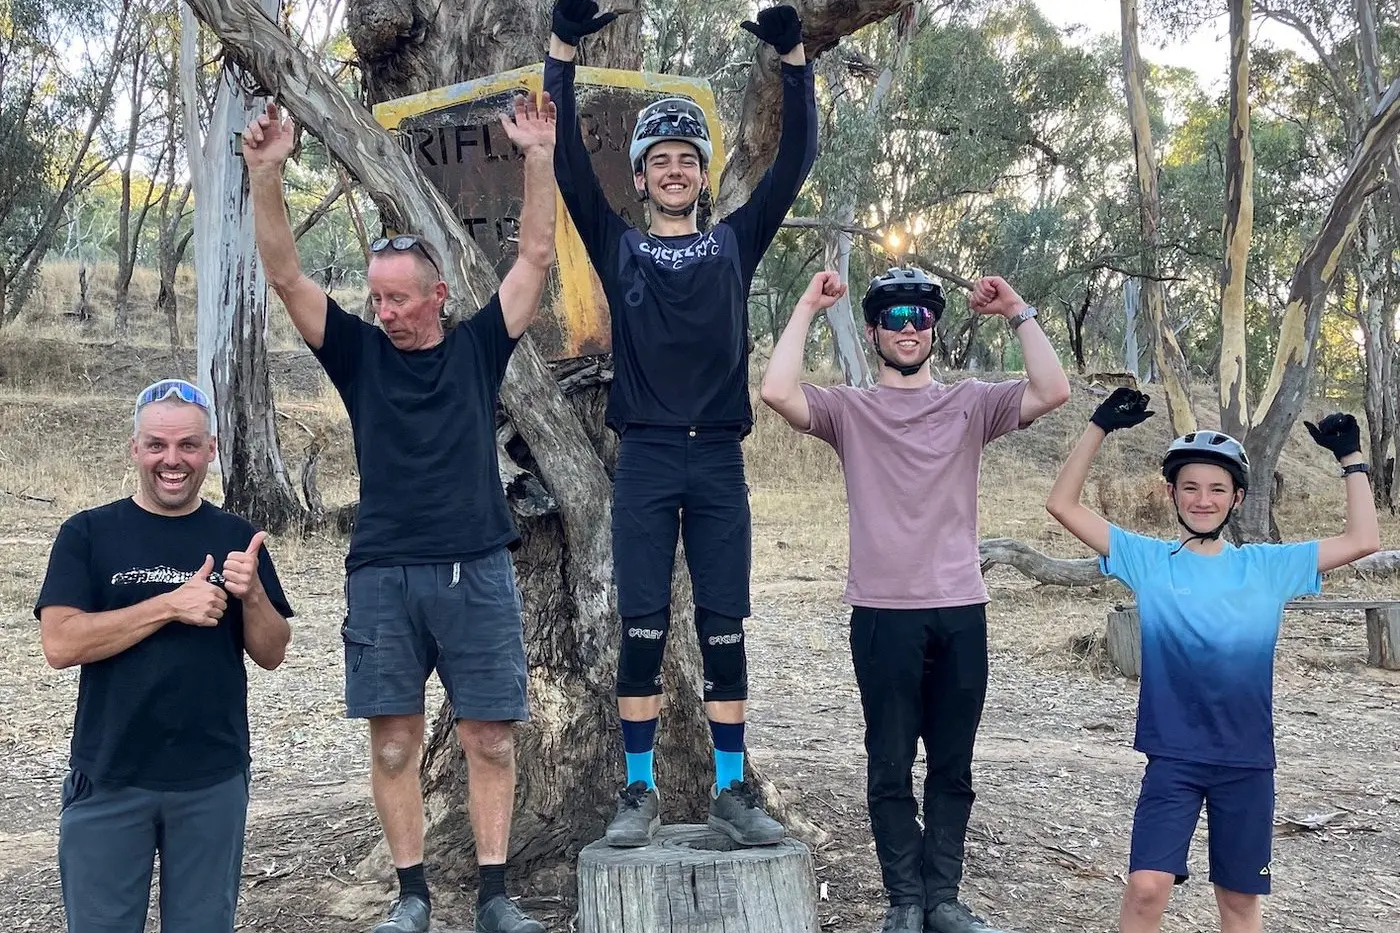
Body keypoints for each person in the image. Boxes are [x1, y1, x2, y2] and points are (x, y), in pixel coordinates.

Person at [242, 91, 557, 933]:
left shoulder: (479, 347)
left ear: (438, 295)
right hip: (382, 572)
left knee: (490, 738)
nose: (381, 312)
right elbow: (284, 273)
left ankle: (495, 898)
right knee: (392, 743)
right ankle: (411, 894)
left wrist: (536, 156)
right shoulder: (356, 354)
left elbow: (533, 257)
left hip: (478, 567)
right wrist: (266, 174)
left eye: (395, 299)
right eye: (375, 298)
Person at [544, 0, 817, 848]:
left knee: (724, 627)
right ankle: (637, 789)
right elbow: (564, 162)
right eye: (658, 159)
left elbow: (796, 158)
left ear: (702, 173)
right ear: (640, 177)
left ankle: (733, 789)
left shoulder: (735, 243)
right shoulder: (618, 245)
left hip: (720, 467)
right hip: (648, 464)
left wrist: (795, 59)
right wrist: (562, 47)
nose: (673, 170)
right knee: (642, 627)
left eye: (686, 159)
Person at [760, 269, 1070, 933]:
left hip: (960, 608)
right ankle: (904, 900)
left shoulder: (972, 403)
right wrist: (807, 305)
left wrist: (1017, 307)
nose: (908, 326)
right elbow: (776, 390)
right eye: (895, 316)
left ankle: (944, 900)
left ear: (934, 330)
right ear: (873, 330)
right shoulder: (851, 410)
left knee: (953, 765)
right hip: (881, 613)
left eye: (921, 317)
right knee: (890, 764)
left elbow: (1053, 389)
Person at [1045, 390, 1380, 933]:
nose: (1204, 499)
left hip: (1246, 760)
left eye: (1218, 489)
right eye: (1191, 487)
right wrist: (1098, 427)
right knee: (1146, 887)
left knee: (1239, 900)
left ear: (1238, 499)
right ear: (1171, 493)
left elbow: (1364, 539)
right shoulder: (1149, 561)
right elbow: (1061, 505)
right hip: (1173, 756)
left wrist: (1351, 461)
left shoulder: (1269, 567)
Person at [35, 378, 295, 933]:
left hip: (211, 780)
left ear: (211, 451)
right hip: (109, 776)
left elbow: (272, 653)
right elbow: (60, 644)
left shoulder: (236, 536)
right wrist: (169, 606)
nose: (171, 460)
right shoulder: (87, 533)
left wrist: (252, 598)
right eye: (156, 445)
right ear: (135, 448)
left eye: (187, 446)